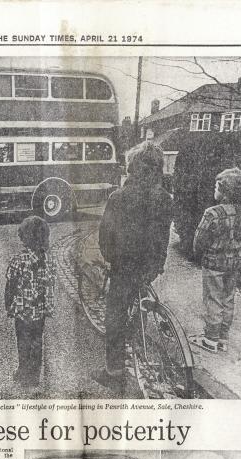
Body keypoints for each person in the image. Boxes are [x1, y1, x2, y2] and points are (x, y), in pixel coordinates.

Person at [93, 141, 174, 394]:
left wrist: (109, 258)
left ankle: (114, 372)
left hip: (123, 267)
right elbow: (163, 236)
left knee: (114, 316)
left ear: (132, 167)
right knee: (139, 300)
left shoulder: (119, 197)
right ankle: (138, 334)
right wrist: (156, 265)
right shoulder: (164, 198)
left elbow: (105, 236)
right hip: (149, 266)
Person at [190, 168, 241, 353]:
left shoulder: (212, 213)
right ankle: (223, 337)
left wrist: (197, 253)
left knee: (213, 298)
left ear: (225, 191)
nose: (214, 190)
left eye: (216, 187)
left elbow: (199, 239)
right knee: (228, 298)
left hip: (213, 263)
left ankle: (211, 338)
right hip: (234, 263)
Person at [5, 216, 57, 385]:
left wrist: (8, 304)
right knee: (37, 340)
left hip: (22, 310)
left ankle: (23, 371)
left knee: (23, 341)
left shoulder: (18, 260)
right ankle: (34, 375)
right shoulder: (49, 260)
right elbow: (51, 283)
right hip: (40, 310)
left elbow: (10, 284)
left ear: (24, 237)